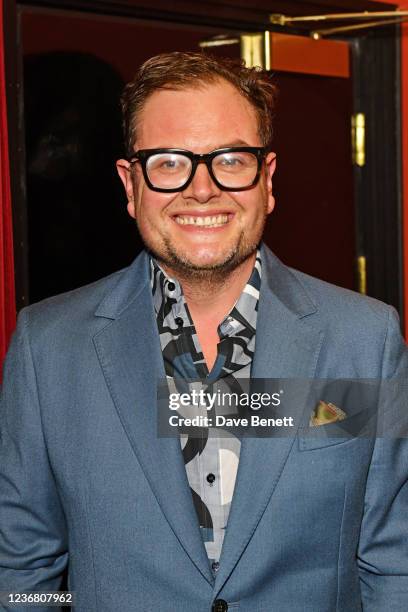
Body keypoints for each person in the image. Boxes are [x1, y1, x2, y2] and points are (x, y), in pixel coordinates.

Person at [1, 52, 407, 612]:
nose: (201, 190)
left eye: (230, 160)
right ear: (130, 184)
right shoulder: (48, 348)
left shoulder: (366, 341)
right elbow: (21, 572)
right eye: (169, 162)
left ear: (266, 179)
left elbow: (394, 562)